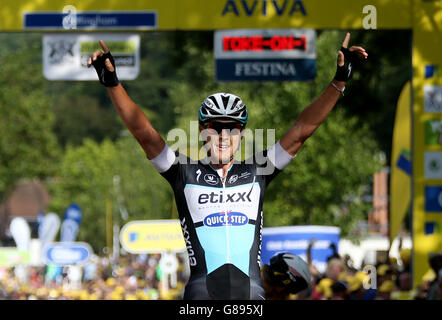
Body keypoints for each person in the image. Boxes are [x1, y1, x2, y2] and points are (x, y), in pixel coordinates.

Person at [87, 33, 367, 300]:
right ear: (202, 131)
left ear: (241, 134)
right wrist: (113, 83)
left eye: (232, 128)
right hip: (202, 293)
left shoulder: (258, 170)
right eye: (215, 128)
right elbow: (143, 132)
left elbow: (302, 130)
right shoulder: (183, 172)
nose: (223, 136)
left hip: (251, 294)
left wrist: (338, 82)